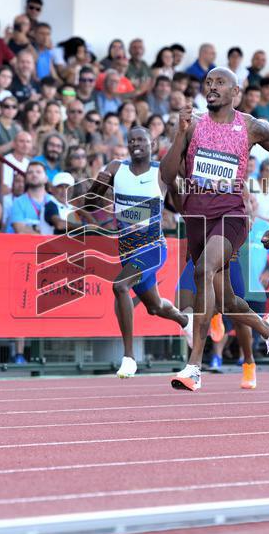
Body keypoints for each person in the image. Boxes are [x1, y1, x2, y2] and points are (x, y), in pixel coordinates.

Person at [159, 67, 269, 392]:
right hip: (196, 218)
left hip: (230, 215)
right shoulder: (194, 125)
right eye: (208, 82)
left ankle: (194, 367)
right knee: (228, 302)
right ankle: (268, 329)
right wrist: (179, 134)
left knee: (204, 271)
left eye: (220, 83)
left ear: (236, 92)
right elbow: (166, 174)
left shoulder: (250, 126)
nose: (212, 87)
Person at [77, 127, 189, 378]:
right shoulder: (116, 168)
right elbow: (89, 204)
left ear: (152, 143)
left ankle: (128, 357)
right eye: (131, 140)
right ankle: (186, 322)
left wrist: (178, 182)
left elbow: (182, 206)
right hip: (126, 250)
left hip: (152, 247)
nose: (136, 144)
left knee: (119, 286)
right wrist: (103, 192)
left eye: (141, 140)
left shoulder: (161, 170)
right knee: (155, 306)